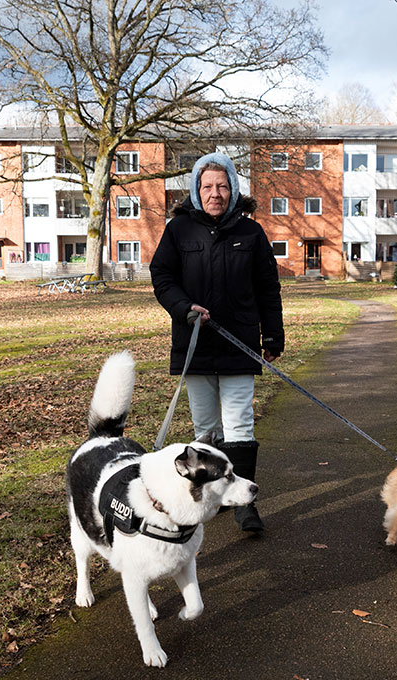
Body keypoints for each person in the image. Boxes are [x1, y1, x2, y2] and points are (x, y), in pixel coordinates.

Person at [150, 152, 284, 533]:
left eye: (222, 186)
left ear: (233, 189)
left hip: (239, 344)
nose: (215, 193)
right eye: (207, 186)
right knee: (206, 426)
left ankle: (244, 505)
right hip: (194, 343)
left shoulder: (251, 233)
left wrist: (272, 334)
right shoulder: (178, 231)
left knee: (240, 422)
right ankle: (211, 496)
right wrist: (182, 307)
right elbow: (161, 276)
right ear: (195, 189)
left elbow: (267, 288)